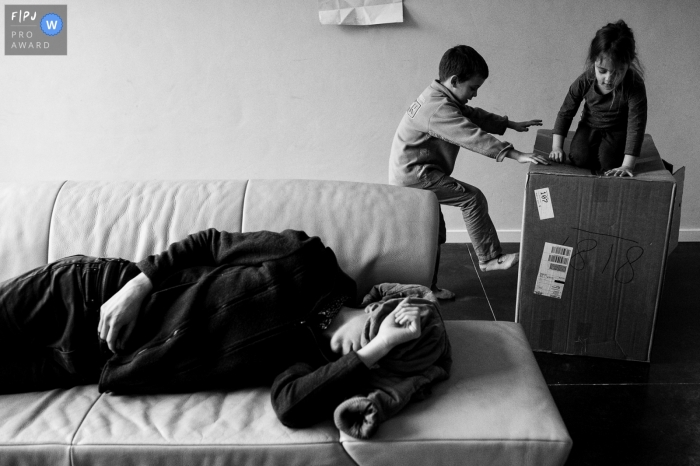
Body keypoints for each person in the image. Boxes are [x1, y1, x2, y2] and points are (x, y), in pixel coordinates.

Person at [0, 228, 450, 439]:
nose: (367, 346)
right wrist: (138, 283)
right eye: (376, 331)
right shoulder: (308, 260)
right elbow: (209, 244)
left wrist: (375, 351)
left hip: (84, 364)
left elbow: (290, 407)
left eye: (379, 355)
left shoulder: (310, 363)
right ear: (378, 307)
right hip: (84, 293)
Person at [388, 45, 549, 300]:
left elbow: (472, 115)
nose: (474, 95)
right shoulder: (437, 108)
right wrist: (515, 154)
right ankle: (489, 258)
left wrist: (507, 124)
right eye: (472, 88)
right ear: (454, 81)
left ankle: (429, 288)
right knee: (472, 198)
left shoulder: (441, 97)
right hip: (416, 175)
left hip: (416, 172)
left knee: (433, 232)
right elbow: (470, 135)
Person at [549, 20, 647, 177]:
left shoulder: (634, 85)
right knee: (579, 158)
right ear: (593, 61)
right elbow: (566, 112)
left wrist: (627, 165)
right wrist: (556, 147)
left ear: (628, 65)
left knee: (609, 162)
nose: (608, 79)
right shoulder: (586, 80)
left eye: (617, 73)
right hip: (589, 125)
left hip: (617, 130)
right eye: (602, 71)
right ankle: (594, 151)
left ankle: (609, 154)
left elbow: (637, 126)